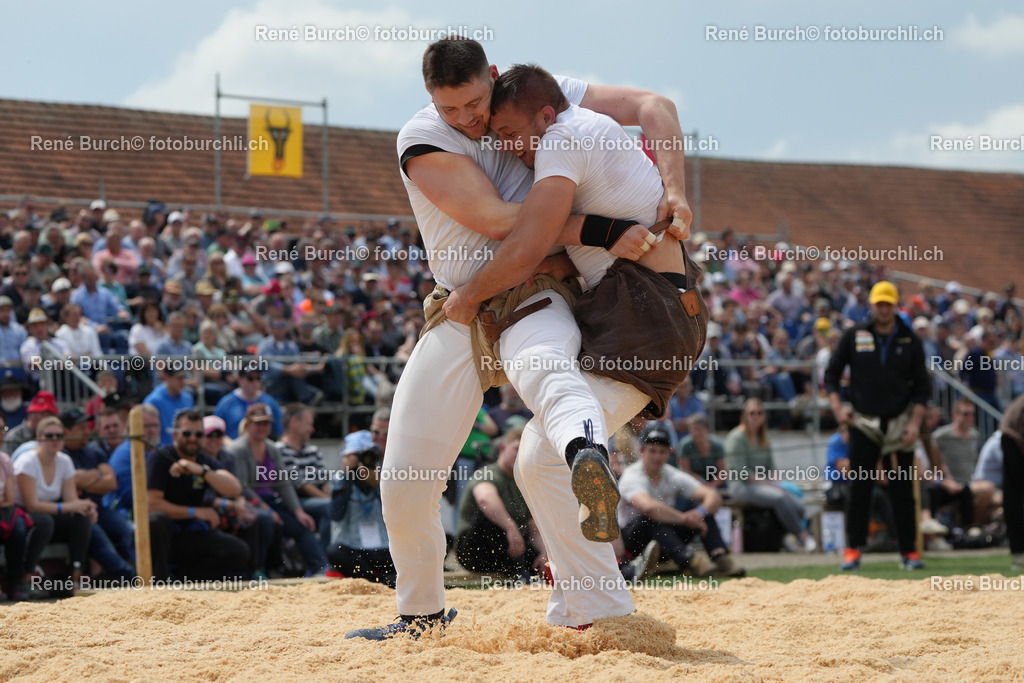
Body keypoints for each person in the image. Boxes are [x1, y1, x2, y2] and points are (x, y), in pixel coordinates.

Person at [349, 37, 695, 640]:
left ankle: (595, 574)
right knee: (404, 479)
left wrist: (675, 189)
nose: (467, 120)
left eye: (475, 104)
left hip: (535, 290)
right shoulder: (420, 137)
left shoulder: (542, 100)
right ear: (431, 100)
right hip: (463, 304)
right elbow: (501, 220)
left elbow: (653, 103)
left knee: (546, 379)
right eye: (449, 108)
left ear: (497, 77)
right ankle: (422, 614)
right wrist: (604, 227)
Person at [825, 281, 931, 571]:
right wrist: (838, 408)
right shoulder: (854, 335)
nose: (883, 309)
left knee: (902, 491)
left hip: (900, 426)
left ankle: (909, 553)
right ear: (871, 305)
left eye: (888, 303)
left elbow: (923, 388)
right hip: (863, 423)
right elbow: (831, 375)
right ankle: (852, 550)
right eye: (879, 303)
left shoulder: (910, 339)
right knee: (858, 488)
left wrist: (914, 423)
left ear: (895, 306)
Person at [619, 426, 744, 577]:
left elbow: (713, 496)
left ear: (669, 453)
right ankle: (692, 562)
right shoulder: (631, 475)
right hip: (634, 542)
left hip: (665, 541)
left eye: (662, 451)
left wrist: (699, 513)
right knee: (650, 520)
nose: (657, 457)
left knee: (698, 508)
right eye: (652, 451)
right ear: (641, 451)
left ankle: (719, 557)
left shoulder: (671, 474)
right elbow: (648, 507)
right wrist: (685, 519)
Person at [147, 409, 249, 580]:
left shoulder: (202, 460)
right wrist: (195, 512)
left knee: (239, 551)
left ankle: (186, 580)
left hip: (192, 534)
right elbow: (151, 505)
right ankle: (159, 583)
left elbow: (234, 488)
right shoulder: (161, 457)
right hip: (167, 535)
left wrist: (202, 471)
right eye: (186, 433)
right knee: (155, 521)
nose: (193, 438)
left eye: (198, 434)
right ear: (174, 435)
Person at [227, 403, 327, 576]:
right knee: (266, 520)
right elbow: (242, 486)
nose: (262, 427)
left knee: (301, 525)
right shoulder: (238, 449)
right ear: (248, 424)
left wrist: (298, 511)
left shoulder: (271, 448)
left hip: (270, 501)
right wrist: (266, 508)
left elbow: (283, 483)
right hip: (248, 502)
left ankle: (321, 567)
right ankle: (260, 569)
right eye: (258, 423)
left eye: (266, 423)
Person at [15, 415, 95, 592]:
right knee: (44, 521)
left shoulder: (64, 460)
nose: (54, 440)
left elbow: (71, 500)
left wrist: (85, 506)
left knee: (81, 518)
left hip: (49, 512)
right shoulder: (27, 462)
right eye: (49, 436)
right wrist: (68, 507)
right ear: (38, 438)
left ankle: (76, 572)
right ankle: (27, 575)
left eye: (58, 435)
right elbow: (32, 505)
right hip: (23, 514)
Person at [724, 398, 815, 553]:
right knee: (779, 498)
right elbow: (741, 472)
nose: (756, 416)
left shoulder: (763, 438)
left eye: (759, 413)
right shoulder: (736, 438)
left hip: (762, 484)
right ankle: (803, 536)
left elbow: (771, 468)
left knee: (799, 505)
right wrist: (768, 483)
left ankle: (782, 536)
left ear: (764, 416)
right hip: (740, 485)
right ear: (745, 415)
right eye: (752, 413)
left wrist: (776, 481)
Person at [454, 428, 545, 581]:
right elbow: (485, 499)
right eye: (516, 448)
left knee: (538, 555)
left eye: (524, 450)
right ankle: (517, 572)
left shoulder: (523, 483)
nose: (519, 454)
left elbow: (533, 526)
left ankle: (523, 573)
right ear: (503, 448)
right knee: (489, 517)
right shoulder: (487, 472)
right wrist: (511, 528)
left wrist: (544, 553)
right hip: (474, 551)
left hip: (508, 549)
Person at [327, 430, 396, 586]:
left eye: (368, 456)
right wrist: (346, 479)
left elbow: (397, 513)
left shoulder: (384, 477)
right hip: (354, 547)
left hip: (383, 547)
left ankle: (377, 581)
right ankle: (377, 582)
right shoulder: (341, 479)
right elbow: (335, 514)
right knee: (334, 552)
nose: (365, 460)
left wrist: (377, 485)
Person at [276, 403, 331, 548]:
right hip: (293, 502)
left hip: (315, 500)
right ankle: (326, 559)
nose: (312, 430)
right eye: (309, 424)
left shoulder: (313, 450)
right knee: (330, 507)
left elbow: (324, 481)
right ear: (294, 422)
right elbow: (301, 485)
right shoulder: (279, 450)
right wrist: (330, 500)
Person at [214, 370, 284, 439]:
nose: (255, 382)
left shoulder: (270, 402)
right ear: (240, 380)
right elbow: (216, 431)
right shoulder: (226, 403)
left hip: (262, 447)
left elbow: (280, 431)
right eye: (250, 378)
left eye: (258, 378)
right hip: (232, 447)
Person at [999, 394, 1024, 571]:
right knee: (1014, 496)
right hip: (1014, 438)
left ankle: (1018, 554)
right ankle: (1018, 553)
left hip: (1014, 433)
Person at [143, 367, 195, 446]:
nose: (183, 382)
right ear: (166, 377)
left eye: (184, 377)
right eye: (179, 378)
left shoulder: (188, 398)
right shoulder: (153, 401)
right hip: (162, 452)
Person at [676, 413, 726, 488]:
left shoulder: (717, 445)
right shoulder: (685, 445)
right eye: (693, 429)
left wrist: (712, 485)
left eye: (699, 429)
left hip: (714, 481)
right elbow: (686, 471)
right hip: (691, 482)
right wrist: (703, 484)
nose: (695, 433)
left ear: (707, 430)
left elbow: (722, 472)